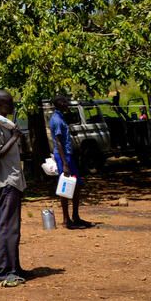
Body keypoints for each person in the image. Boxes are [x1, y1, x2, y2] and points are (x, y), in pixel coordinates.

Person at [0, 89, 27, 287]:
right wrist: (14, 138)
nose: (11, 106)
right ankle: (4, 271)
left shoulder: (6, 124)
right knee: (6, 227)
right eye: (8, 103)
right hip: (6, 182)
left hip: (13, 181)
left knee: (13, 227)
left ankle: (14, 267)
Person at [49, 96, 92, 229]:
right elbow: (58, 142)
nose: (67, 104)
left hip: (68, 155)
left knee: (76, 185)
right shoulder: (56, 120)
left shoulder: (60, 117)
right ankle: (66, 219)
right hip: (64, 157)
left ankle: (75, 216)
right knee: (65, 187)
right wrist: (65, 163)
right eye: (65, 102)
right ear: (60, 104)